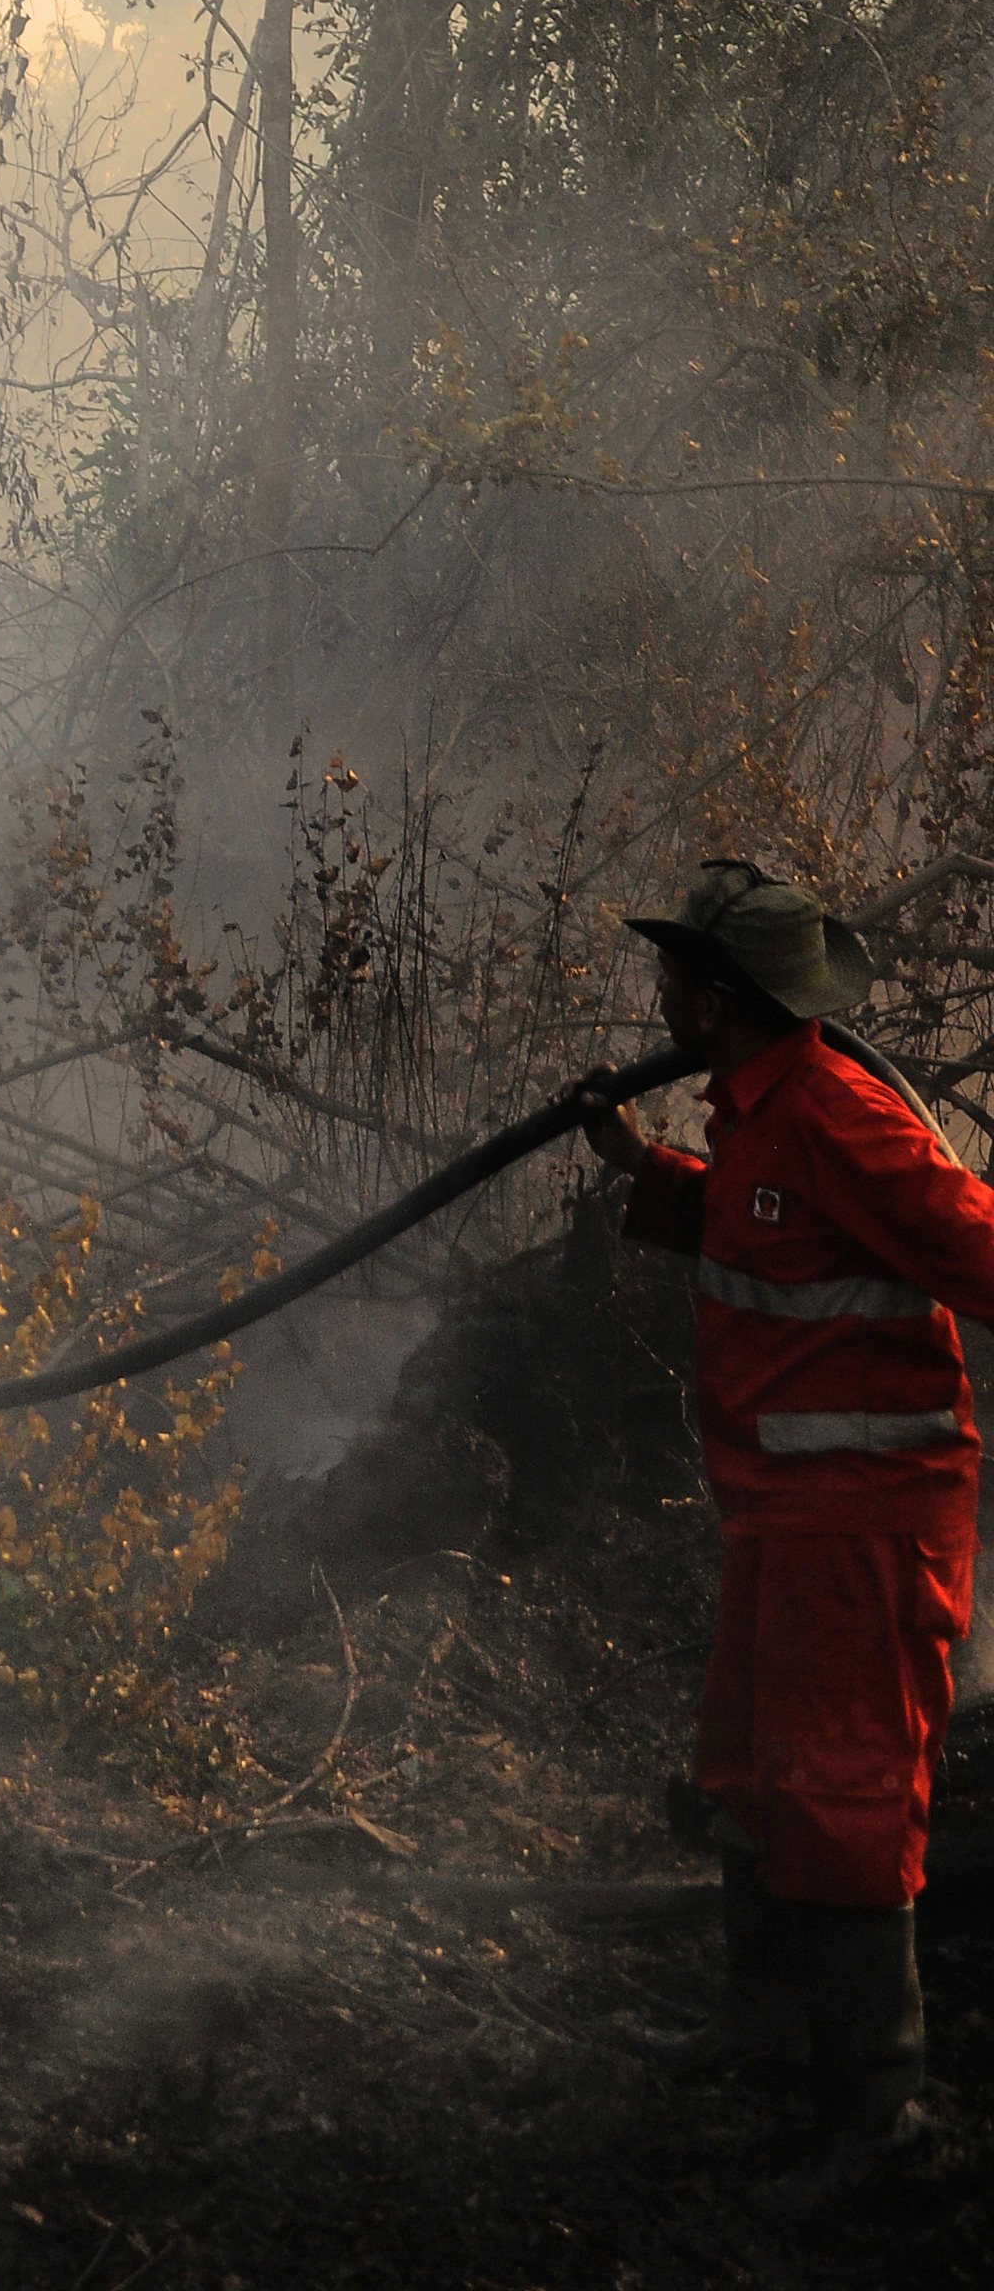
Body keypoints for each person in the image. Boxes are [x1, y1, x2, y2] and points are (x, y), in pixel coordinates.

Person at [575, 859, 984, 2212]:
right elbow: (776, 1241)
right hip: (786, 1523)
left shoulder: (844, 1119)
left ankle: (880, 2118)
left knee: (847, 1801)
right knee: (752, 1773)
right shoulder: (758, 1113)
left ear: (724, 997)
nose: (661, 992)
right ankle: (756, 2038)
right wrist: (647, 1175)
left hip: (866, 1534)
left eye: (679, 973)